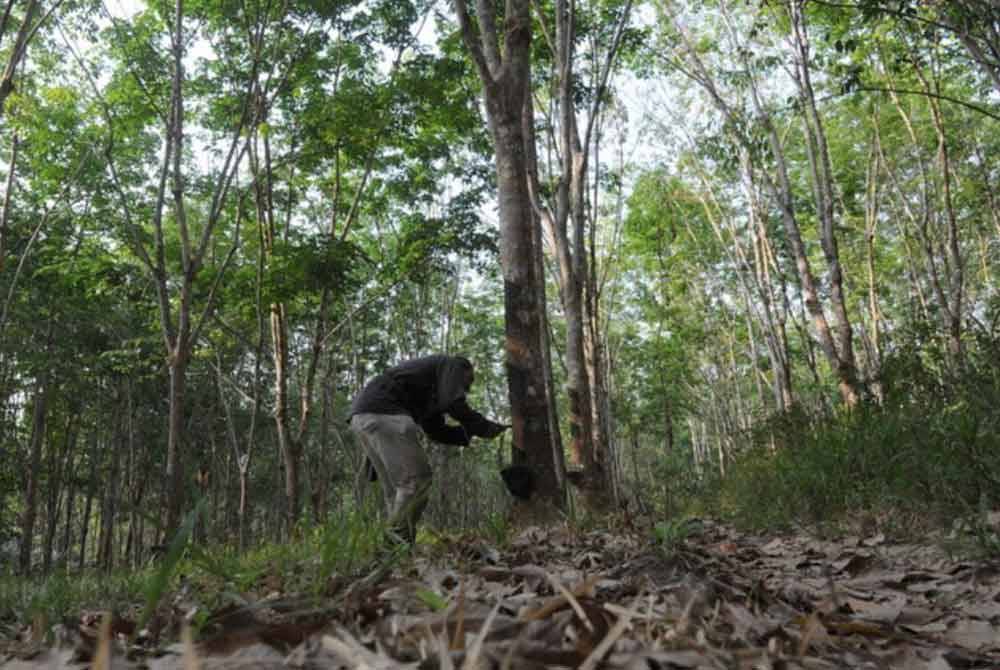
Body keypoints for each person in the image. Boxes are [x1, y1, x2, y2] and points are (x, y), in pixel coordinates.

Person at [348, 354, 508, 544]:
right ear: (463, 369)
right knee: (417, 481)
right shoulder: (452, 363)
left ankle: (397, 555)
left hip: (363, 417)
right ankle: (392, 547)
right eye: (469, 380)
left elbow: (435, 431)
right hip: (384, 411)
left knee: (396, 491)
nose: (468, 388)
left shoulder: (430, 395)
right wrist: (484, 426)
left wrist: (469, 434)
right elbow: (453, 403)